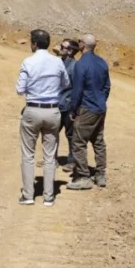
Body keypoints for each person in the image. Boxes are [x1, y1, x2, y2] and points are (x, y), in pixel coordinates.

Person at [16, 29, 70, 207]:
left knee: (28, 155)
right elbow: (66, 83)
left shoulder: (28, 62)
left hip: (32, 109)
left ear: (34, 44)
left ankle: (28, 194)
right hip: (53, 111)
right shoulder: (57, 62)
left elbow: (20, 89)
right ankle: (49, 196)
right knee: (49, 156)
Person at [67, 34, 111, 190]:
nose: (78, 43)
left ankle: (84, 176)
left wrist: (73, 109)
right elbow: (107, 87)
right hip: (100, 108)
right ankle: (100, 175)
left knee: (78, 143)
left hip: (86, 108)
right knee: (98, 141)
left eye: (79, 41)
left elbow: (77, 90)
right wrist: (100, 100)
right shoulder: (102, 63)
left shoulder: (81, 64)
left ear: (83, 45)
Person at [56, 39, 80, 171]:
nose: (59, 48)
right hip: (56, 104)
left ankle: (72, 161)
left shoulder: (74, 66)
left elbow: (76, 87)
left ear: (70, 51)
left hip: (67, 105)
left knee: (70, 135)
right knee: (52, 133)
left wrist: (74, 108)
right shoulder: (59, 62)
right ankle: (51, 159)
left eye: (62, 47)